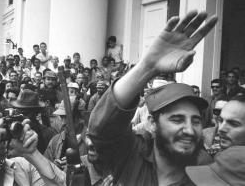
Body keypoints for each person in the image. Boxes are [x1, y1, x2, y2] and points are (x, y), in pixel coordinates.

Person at [87, 11, 217, 185]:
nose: (189, 130)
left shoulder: (206, 173)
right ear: (152, 124)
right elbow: (101, 128)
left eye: (196, 121)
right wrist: (147, 67)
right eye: (177, 120)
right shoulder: (131, 154)